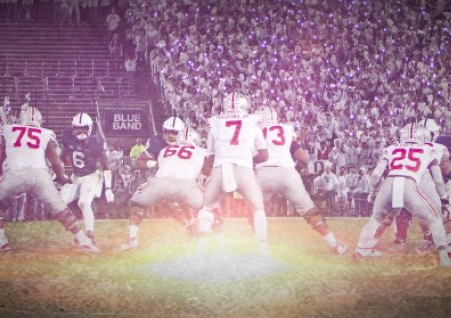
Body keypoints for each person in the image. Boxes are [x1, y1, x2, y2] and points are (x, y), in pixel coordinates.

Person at [0, 106, 97, 253]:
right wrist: (61, 177)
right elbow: (56, 162)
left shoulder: (9, 130)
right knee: (60, 208)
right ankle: (83, 240)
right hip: (40, 175)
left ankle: (0, 240)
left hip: (15, 173)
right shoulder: (45, 133)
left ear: (22, 119)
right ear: (40, 121)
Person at [352, 123, 451, 268]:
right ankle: (444, 258)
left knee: (375, 220)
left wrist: (373, 192)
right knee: (435, 220)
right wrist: (444, 198)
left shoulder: (391, 148)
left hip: (389, 183)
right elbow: (438, 179)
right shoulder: (430, 148)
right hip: (409, 183)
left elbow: (375, 176)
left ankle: (360, 251)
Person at [254, 106, 347, 256]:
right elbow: (304, 157)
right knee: (310, 211)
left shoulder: (254, 130)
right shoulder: (285, 128)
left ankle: (260, 249)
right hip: (287, 171)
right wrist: (297, 168)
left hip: (262, 172)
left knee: (254, 210)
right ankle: (335, 245)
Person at [196, 92, 270, 255]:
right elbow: (264, 155)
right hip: (244, 168)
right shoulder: (252, 122)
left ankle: (201, 250)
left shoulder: (215, 124)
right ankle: (263, 250)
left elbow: (210, 156)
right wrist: (247, 159)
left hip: (221, 167)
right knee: (258, 208)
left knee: (206, 208)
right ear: (245, 106)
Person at [121, 126, 207, 250]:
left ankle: (132, 240)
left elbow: (152, 165)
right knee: (208, 206)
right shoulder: (200, 151)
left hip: (161, 182)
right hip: (186, 184)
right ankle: (204, 238)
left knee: (136, 203)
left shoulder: (165, 149)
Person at [132, 116, 200, 236]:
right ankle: (188, 225)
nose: (170, 135)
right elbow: (138, 161)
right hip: (162, 180)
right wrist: (154, 163)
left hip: (183, 178)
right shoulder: (157, 142)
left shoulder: (189, 141)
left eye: (174, 132)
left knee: (185, 204)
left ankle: (192, 224)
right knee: (168, 205)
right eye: (167, 131)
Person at [58, 112, 112, 246]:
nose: (80, 131)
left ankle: (90, 234)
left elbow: (106, 165)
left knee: (84, 203)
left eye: (84, 128)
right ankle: (78, 230)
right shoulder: (68, 138)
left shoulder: (96, 141)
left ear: (90, 128)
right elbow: (61, 158)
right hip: (75, 176)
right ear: (73, 128)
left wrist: (109, 188)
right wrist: (58, 174)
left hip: (91, 176)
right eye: (77, 128)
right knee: (59, 204)